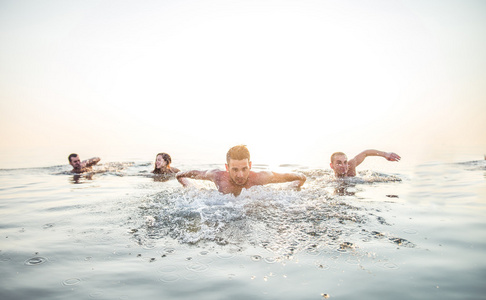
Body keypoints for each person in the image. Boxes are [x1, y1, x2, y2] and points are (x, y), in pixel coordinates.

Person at [176, 145, 306, 196]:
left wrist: (301, 178)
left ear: (250, 165)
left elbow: (287, 176)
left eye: (244, 169)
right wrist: (180, 176)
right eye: (235, 169)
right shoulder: (218, 176)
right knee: (194, 191)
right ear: (227, 168)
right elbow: (198, 173)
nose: (240, 175)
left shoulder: (261, 177)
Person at [330, 149, 401, 177]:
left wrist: (385, 154)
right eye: (339, 163)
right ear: (331, 166)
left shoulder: (350, 166)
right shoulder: (328, 181)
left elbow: (365, 153)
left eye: (345, 162)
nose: (343, 166)